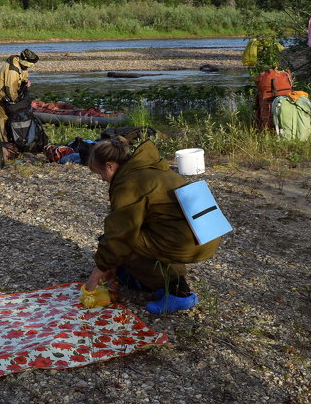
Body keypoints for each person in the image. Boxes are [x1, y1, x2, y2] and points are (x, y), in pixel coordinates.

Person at [84, 134, 221, 315]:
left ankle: (178, 294)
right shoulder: (150, 168)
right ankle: (152, 281)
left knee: (123, 244)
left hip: (190, 240)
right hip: (208, 231)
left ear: (110, 165)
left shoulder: (128, 182)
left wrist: (93, 279)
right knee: (128, 241)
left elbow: (119, 236)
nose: (102, 179)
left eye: (101, 173)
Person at [0, 48, 39, 142]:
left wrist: (25, 82)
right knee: (4, 120)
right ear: (25, 61)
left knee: (15, 118)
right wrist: (16, 103)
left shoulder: (22, 65)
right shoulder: (13, 70)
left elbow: (22, 77)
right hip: (2, 97)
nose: (31, 67)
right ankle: (5, 143)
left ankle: (16, 139)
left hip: (11, 94)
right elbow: (10, 89)